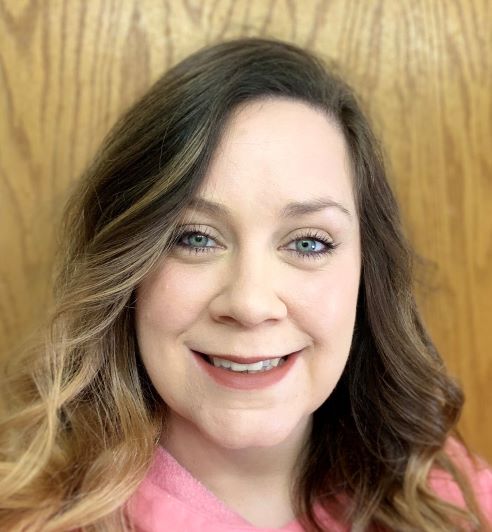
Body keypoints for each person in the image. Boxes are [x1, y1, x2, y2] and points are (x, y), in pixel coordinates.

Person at [0, 37, 490, 532]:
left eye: (308, 243)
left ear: (368, 275)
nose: (250, 304)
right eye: (194, 238)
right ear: (127, 269)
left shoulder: (459, 507)